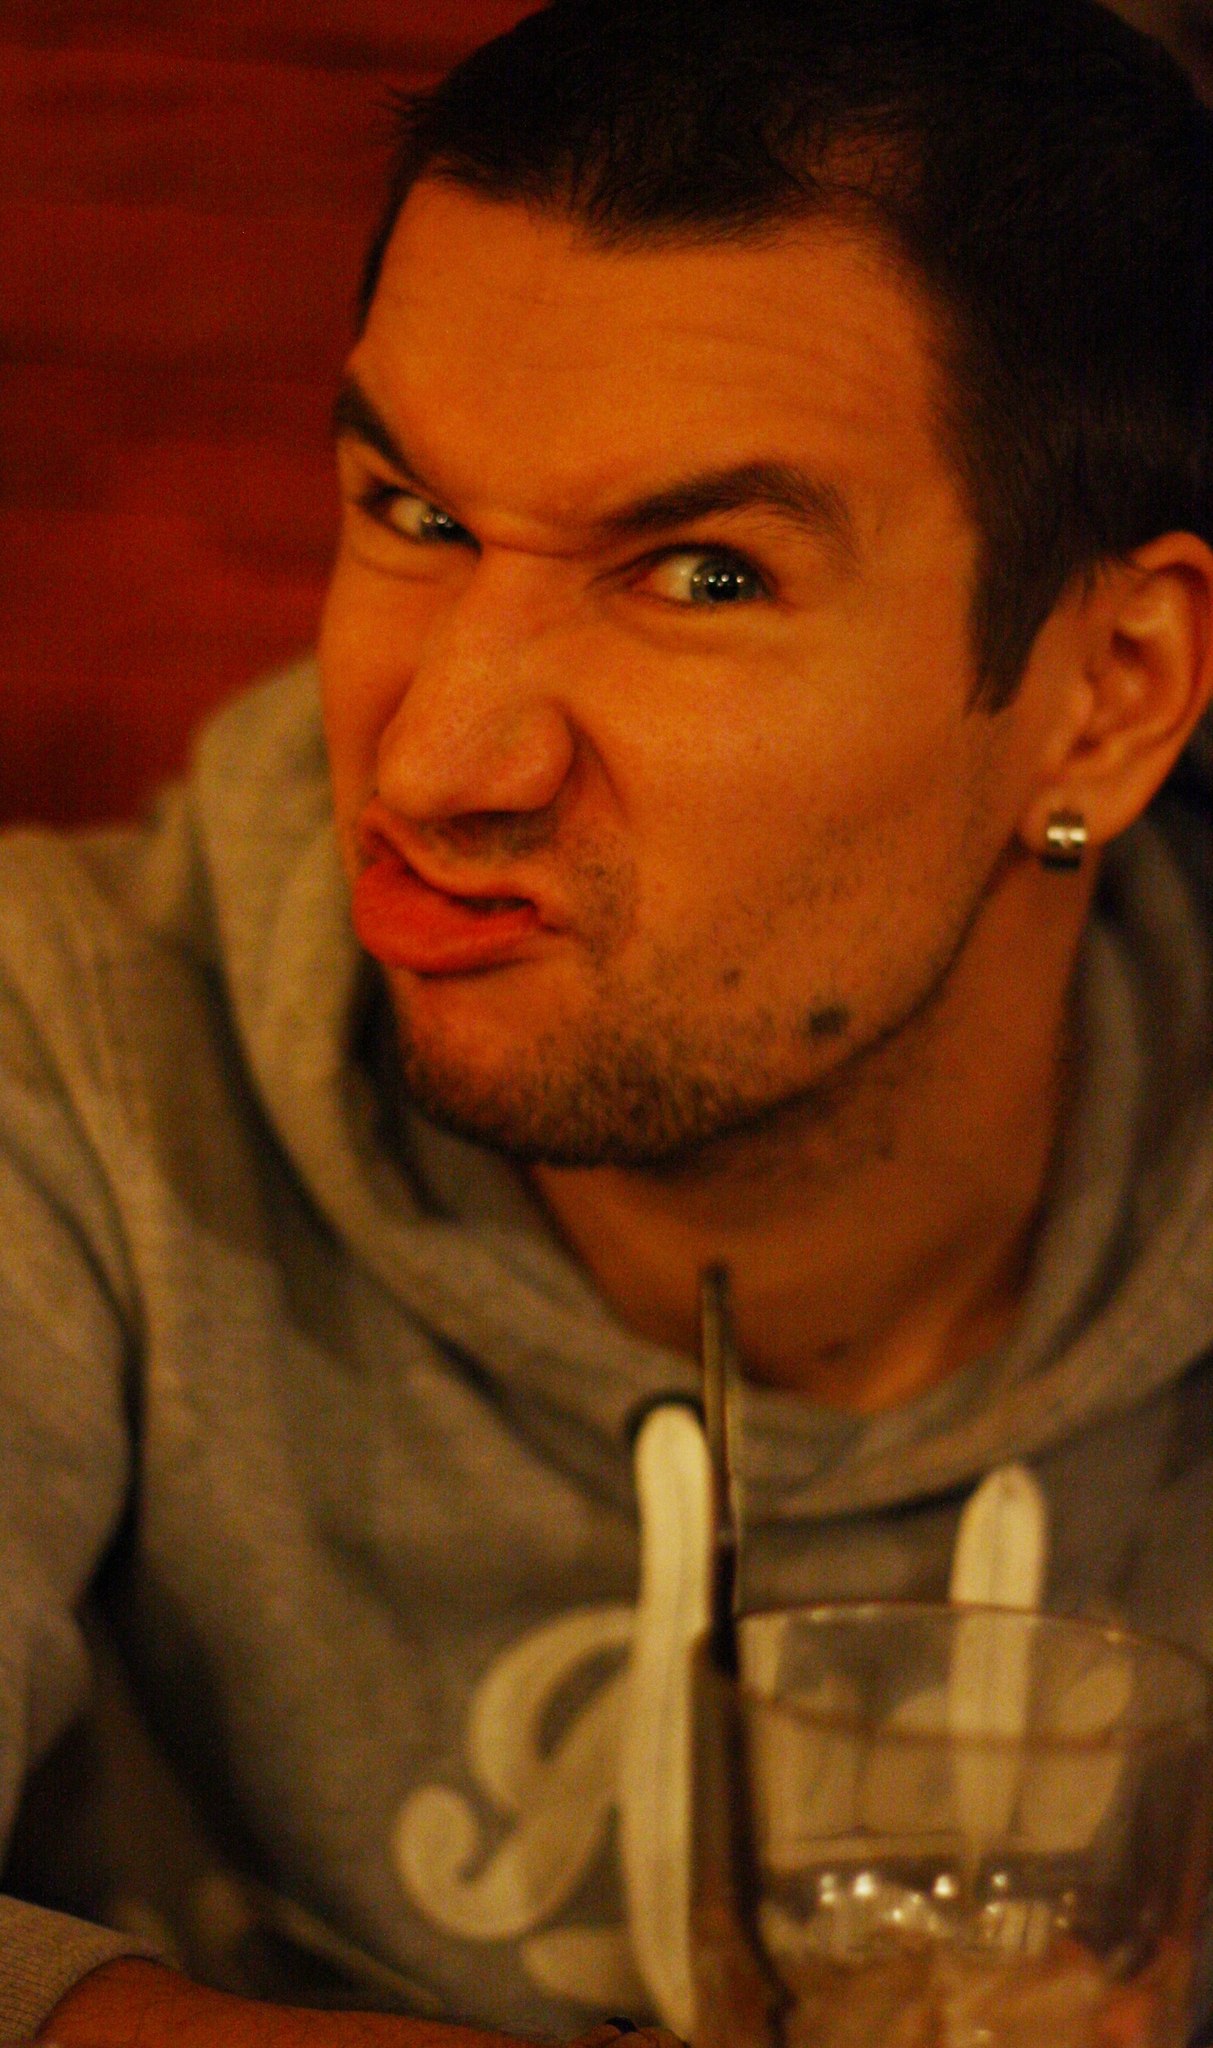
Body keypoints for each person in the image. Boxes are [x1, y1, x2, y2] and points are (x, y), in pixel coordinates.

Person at [2, 0, 1211, 2039]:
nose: (433, 763)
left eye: (702, 575)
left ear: (1104, 694)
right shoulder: (70, 1042)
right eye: (412, 514)